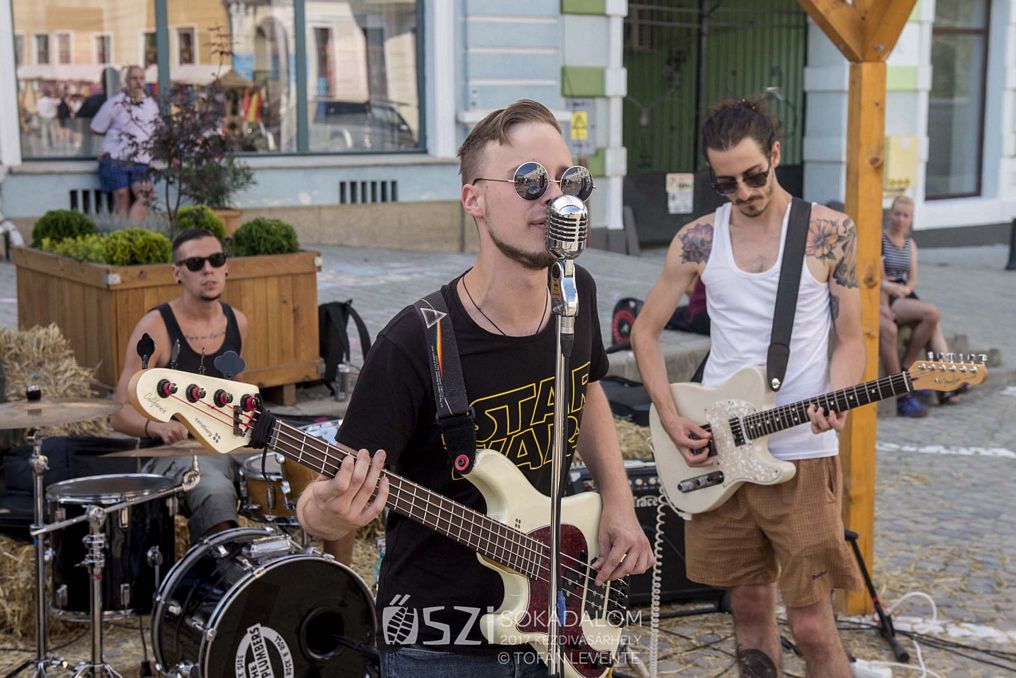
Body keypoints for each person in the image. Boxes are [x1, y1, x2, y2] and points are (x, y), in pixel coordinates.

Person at [296, 99, 654, 677]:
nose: (554, 198)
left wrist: (618, 501)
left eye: (568, 180)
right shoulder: (413, 343)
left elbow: (585, 387)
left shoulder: (576, 291)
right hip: (440, 644)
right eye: (529, 180)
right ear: (474, 200)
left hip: (556, 614)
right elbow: (321, 504)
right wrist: (328, 513)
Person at [630, 98, 865, 677]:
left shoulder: (829, 232)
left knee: (811, 624)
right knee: (749, 608)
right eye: (726, 182)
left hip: (802, 452)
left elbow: (851, 340)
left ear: (776, 155)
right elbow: (644, 332)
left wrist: (836, 395)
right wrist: (670, 416)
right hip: (722, 448)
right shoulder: (697, 239)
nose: (744, 192)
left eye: (754, 176)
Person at [112, 228, 248, 544]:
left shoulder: (237, 321)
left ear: (226, 266)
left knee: (301, 471)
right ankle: (226, 569)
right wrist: (157, 427)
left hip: (223, 444)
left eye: (216, 260)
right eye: (196, 263)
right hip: (169, 451)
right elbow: (119, 412)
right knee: (214, 490)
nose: (208, 270)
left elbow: (238, 392)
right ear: (177, 273)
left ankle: (326, 569)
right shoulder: (155, 328)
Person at [879, 195, 966, 414]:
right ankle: (912, 370)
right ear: (890, 215)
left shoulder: (910, 244)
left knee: (934, 325)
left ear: (911, 219)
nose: (900, 219)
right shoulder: (880, 239)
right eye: (897, 214)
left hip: (904, 292)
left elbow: (913, 279)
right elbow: (878, 276)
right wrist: (892, 291)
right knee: (932, 313)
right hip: (887, 293)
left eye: (905, 216)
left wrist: (906, 289)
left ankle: (944, 383)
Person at [90, 65, 159, 223]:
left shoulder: (150, 105)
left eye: (141, 78)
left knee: (145, 197)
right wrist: (116, 135)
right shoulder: (115, 103)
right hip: (115, 158)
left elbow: (158, 130)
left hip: (141, 160)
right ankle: (120, 233)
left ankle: (132, 232)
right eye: (134, 78)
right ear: (127, 81)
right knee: (122, 198)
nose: (138, 82)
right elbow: (95, 128)